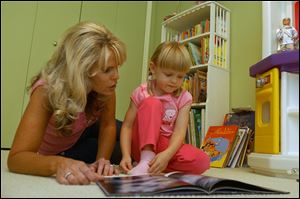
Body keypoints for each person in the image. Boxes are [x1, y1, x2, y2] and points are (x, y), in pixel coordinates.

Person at [7, 21, 127, 185]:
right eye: (107, 70)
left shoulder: (106, 88)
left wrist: (102, 161)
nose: (116, 76)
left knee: (132, 136)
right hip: (59, 149)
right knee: (120, 151)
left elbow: (107, 125)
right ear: (82, 70)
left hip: (82, 130)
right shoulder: (46, 90)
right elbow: (16, 158)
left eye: (116, 68)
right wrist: (58, 164)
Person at [119, 41, 210, 175]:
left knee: (203, 161)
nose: (174, 81)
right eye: (168, 75)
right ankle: (146, 159)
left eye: (180, 76)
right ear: (153, 68)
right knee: (152, 103)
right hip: (140, 143)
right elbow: (127, 126)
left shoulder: (185, 97)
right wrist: (126, 155)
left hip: (165, 145)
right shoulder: (142, 92)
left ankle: (153, 166)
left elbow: (179, 132)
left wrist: (167, 155)